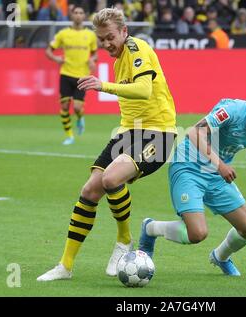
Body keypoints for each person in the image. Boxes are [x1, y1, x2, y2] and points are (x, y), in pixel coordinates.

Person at [37, 7, 177, 281]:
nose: (106, 44)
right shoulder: (118, 58)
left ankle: (124, 241)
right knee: (90, 190)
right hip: (129, 133)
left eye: (110, 37)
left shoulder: (137, 48)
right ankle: (65, 266)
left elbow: (145, 90)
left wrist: (104, 86)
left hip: (159, 135)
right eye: (101, 39)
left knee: (112, 178)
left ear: (124, 32)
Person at [138, 84, 246, 276]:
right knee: (197, 234)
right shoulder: (232, 110)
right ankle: (150, 228)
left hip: (215, 175)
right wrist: (220, 165)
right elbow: (194, 132)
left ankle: (220, 257)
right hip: (189, 166)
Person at [45, 5, 98, 145]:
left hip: (82, 76)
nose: (78, 15)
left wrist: (92, 60)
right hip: (66, 74)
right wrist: (56, 59)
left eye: (81, 13)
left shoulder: (90, 35)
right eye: (76, 13)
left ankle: (80, 117)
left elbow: (95, 54)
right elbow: (49, 50)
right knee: (64, 107)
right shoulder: (63, 34)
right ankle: (69, 135)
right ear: (71, 15)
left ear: (84, 16)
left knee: (77, 108)